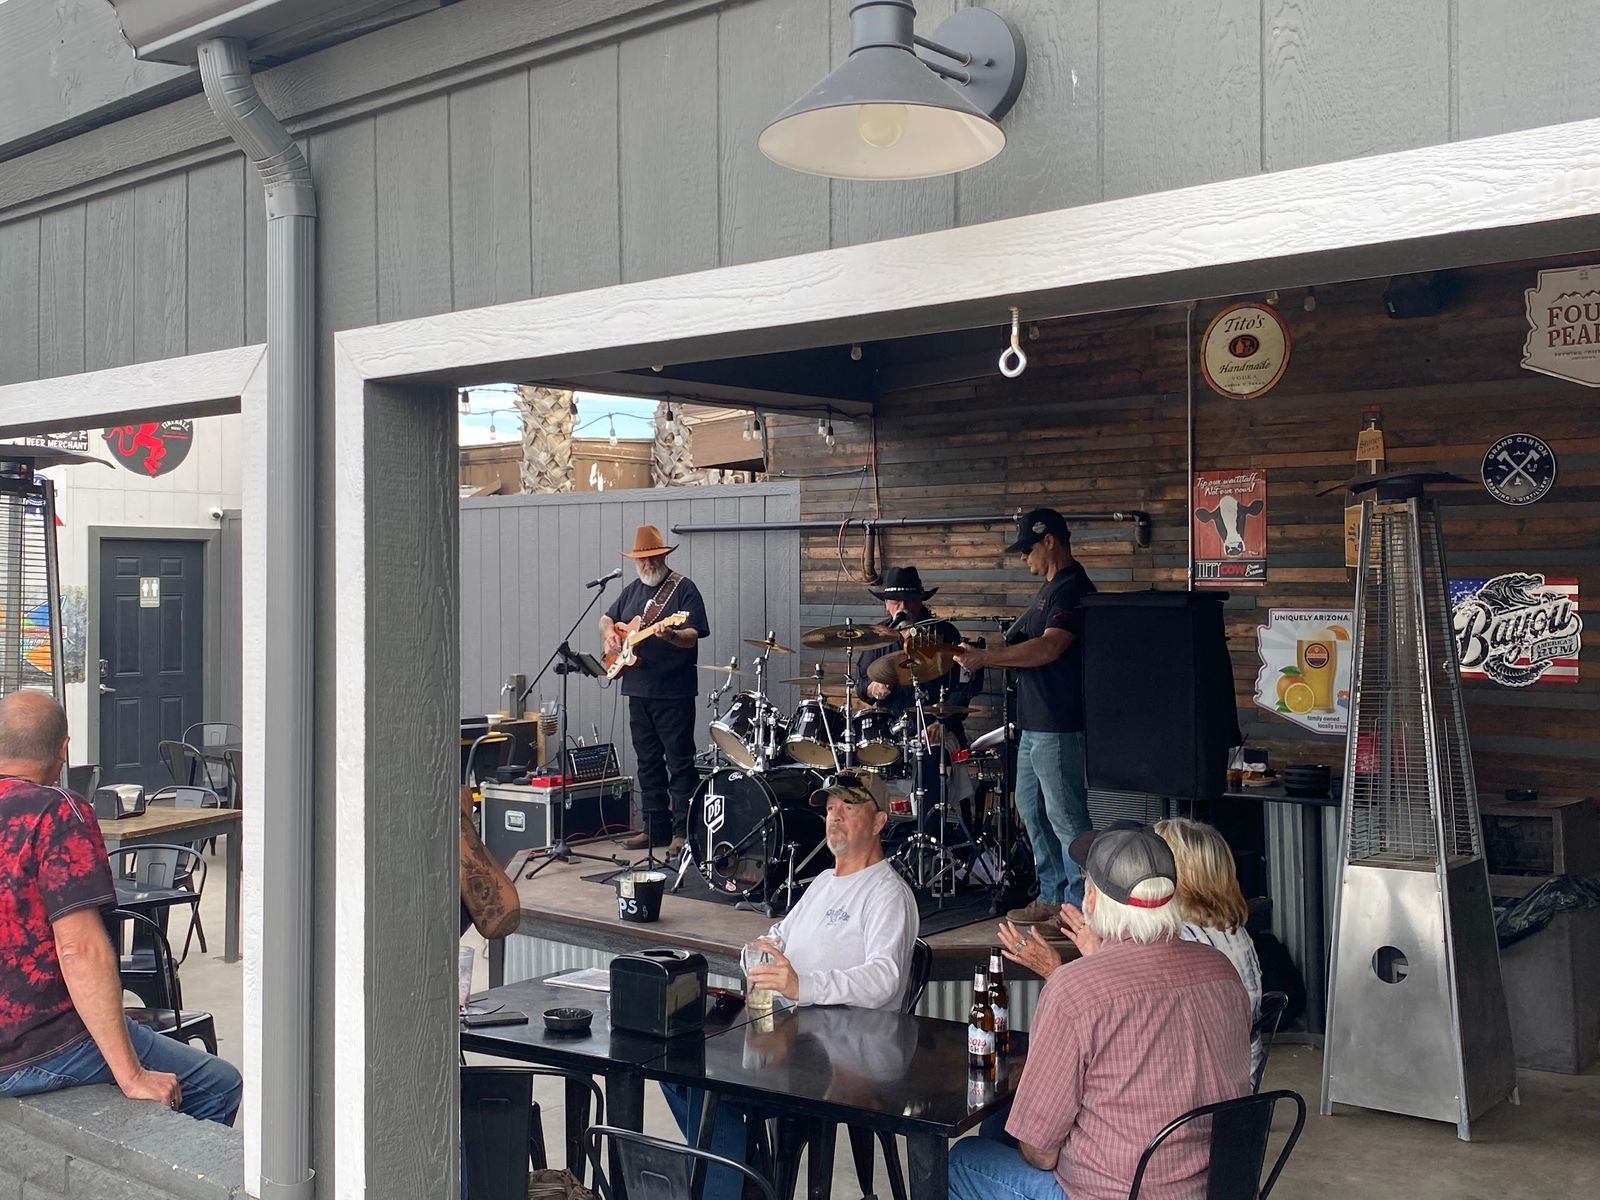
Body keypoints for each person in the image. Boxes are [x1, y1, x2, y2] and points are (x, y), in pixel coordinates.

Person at [948, 828, 1250, 1200]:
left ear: (1091, 897)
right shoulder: (1221, 970)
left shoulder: (1075, 988)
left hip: (1115, 1193)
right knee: (997, 1128)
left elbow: (1040, 1153)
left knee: (962, 1160)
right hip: (1213, 1189)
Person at [663, 770, 919, 1200]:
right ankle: (745, 1181)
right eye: (831, 808)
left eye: (849, 807)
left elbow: (885, 978)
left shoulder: (887, 893)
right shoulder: (823, 883)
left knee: (713, 1084)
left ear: (879, 821)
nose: (835, 816)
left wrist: (803, 985)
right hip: (793, 1038)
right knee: (677, 1065)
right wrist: (759, 952)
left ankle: (732, 1187)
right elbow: (777, 937)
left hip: (848, 1054)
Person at [0, 691, 241, 1125]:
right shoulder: (57, 812)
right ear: (63, 749)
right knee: (218, 1085)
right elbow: (80, 950)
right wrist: (132, 1075)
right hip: (35, 1046)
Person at [999, 818, 1266, 1079]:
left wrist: (1059, 974)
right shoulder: (1230, 931)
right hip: (1233, 1086)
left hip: (1183, 1085)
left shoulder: (1180, 940)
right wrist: (1098, 956)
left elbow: (1139, 1031)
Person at [953, 507, 1096, 921]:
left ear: (1049, 540)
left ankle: (1079, 908)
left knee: (1066, 817)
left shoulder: (1072, 588)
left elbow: (1050, 647)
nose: (1023, 557)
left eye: (1027, 548)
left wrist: (987, 658)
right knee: (1032, 810)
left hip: (1058, 722)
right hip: (1034, 722)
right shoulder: (1050, 590)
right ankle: (1052, 895)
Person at [597, 525, 710, 854]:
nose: (647, 564)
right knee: (647, 762)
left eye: (653, 558)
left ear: (663, 556)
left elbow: (692, 635)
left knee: (679, 762)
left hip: (673, 691)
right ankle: (654, 828)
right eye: (642, 559)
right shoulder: (631, 590)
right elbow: (605, 618)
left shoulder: (683, 589)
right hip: (637, 689)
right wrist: (609, 634)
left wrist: (670, 634)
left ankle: (683, 832)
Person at [856, 565, 978, 745]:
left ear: (920, 601)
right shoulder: (877, 636)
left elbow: (964, 686)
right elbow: (861, 686)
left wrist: (943, 722)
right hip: (892, 733)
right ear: (886, 604)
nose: (903, 607)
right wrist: (872, 688)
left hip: (936, 730)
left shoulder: (945, 632)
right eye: (896, 601)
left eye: (909, 600)